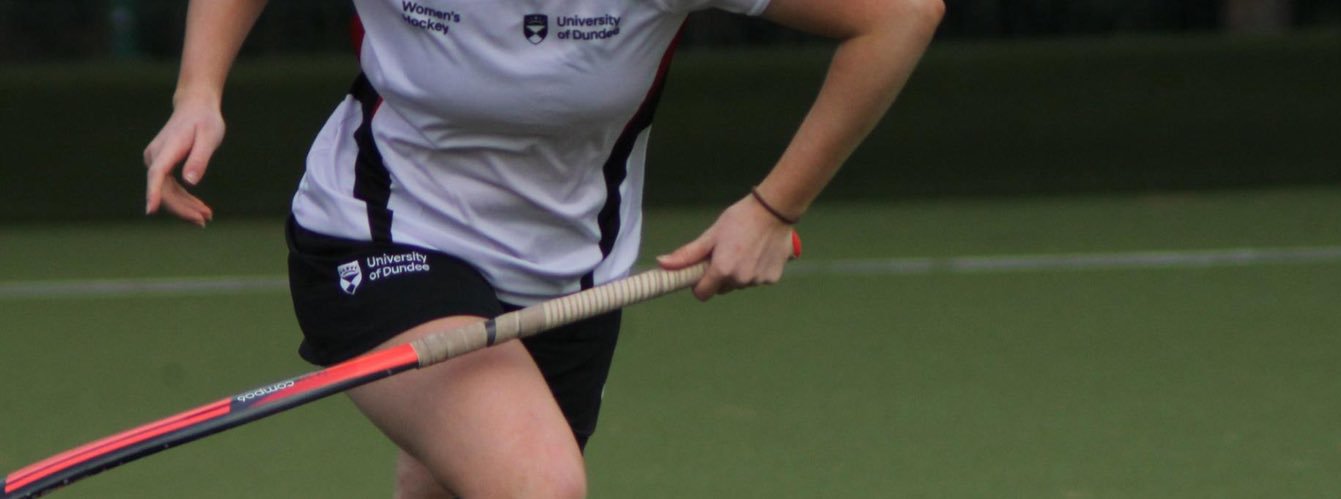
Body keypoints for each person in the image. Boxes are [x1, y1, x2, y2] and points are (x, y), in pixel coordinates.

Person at [142, 0, 942, 497]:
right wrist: (197, 91)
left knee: (455, 483)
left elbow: (900, 12)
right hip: (379, 231)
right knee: (537, 484)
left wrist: (774, 206)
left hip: (569, 282)